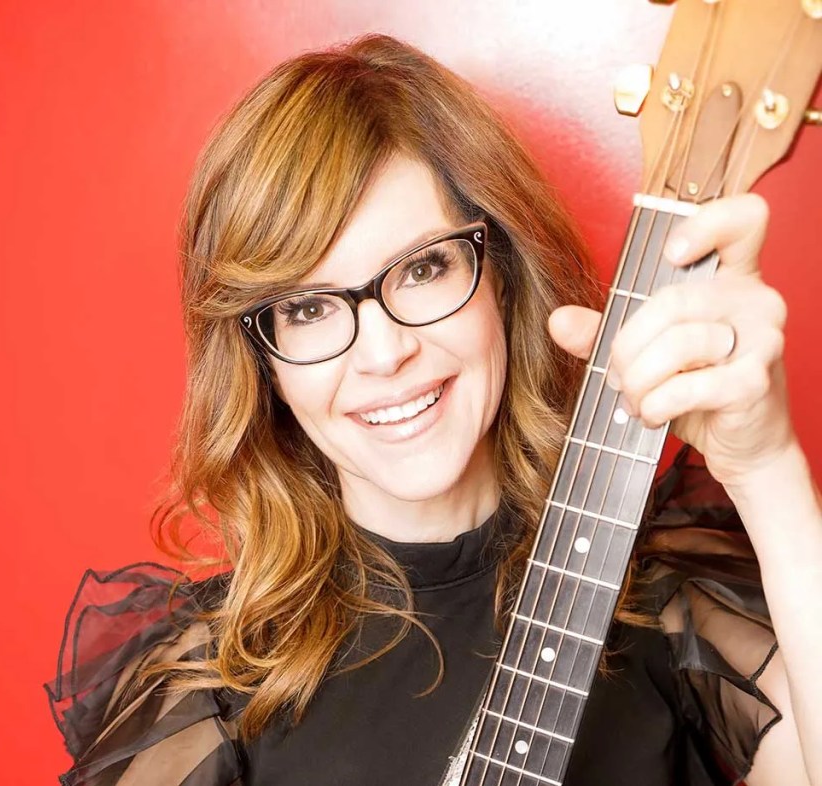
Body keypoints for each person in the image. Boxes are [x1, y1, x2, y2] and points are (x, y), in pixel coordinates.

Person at [43, 34, 821, 786]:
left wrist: (766, 470)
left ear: (502, 275)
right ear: (264, 363)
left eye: (422, 268)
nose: (384, 355)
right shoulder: (206, 684)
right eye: (308, 309)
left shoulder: (670, 595)